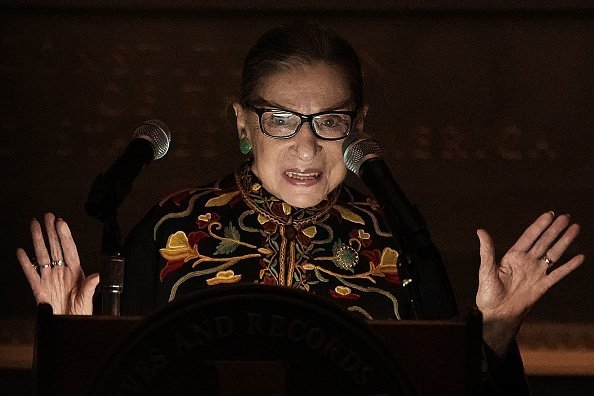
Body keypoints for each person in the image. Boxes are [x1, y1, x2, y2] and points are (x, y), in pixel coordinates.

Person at [17, 23, 584, 393]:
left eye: (330, 122)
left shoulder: (398, 241)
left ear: (358, 126)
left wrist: (495, 339)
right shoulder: (170, 228)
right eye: (280, 119)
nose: (306, 147)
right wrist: (69, 343)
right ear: (242, 123)